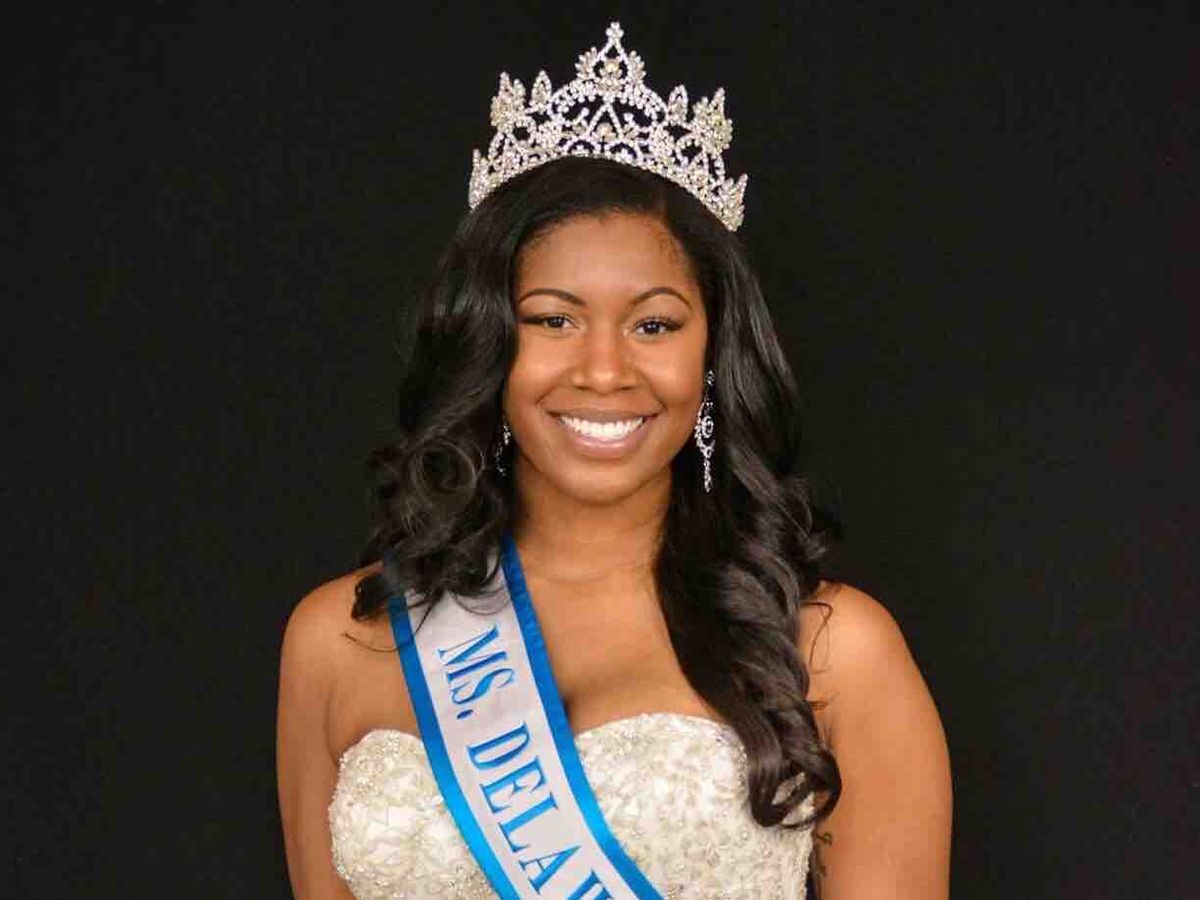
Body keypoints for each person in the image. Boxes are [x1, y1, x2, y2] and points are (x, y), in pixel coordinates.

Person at [277, 21, 951, 899]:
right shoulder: (337, 643)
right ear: (488, 346)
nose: (604, 370)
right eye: (553, 319)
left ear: (713, 357)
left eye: (654, 324)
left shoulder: (832, 648)